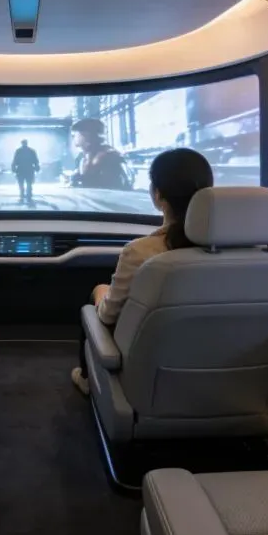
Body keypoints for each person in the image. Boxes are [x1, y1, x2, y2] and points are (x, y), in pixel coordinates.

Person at [71, 148, 213, 396]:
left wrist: (101, 295)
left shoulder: (140, 252)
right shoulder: (252, 255)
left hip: (151, 380)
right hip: (227, 375)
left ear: (158, 195)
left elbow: (108, 316)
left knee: (99, 292)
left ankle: (87, 379)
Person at [69, 118, 133, 190]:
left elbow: (112, 186)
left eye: (75, 135)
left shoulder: (110, 157)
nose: (73, 138)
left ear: (85, 135)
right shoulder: (83, 157)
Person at [11, 138, 40, 203]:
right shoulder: (31, 151)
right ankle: (28, 196)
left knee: (21, 184)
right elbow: (36, 160)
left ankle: (22, 195)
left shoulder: (18, 151)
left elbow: (15, 160)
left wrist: (13, 168)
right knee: (29, 184)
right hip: (29, 169)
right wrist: (37, 167)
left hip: (21, 169)